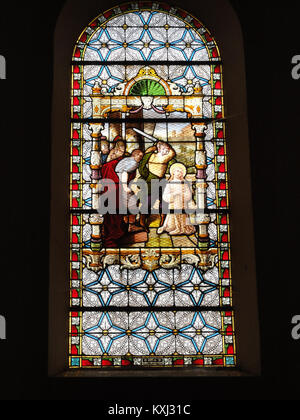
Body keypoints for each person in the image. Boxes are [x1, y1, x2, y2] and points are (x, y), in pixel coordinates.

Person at [100, 149, 144, 247]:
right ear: (134, 155)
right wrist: (125, 187)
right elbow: (125, 173)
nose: (141, 158)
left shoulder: (127, 160)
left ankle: (130, 224)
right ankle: (131, 224)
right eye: (140, 156)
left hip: (119, 185)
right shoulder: (133, 163)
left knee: (131, 203)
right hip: (121, 186)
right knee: (133, 202)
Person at [138, 141, 176, 231]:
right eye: (164, 149)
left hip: (162, 180)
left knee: (164, 200)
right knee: (149, 201)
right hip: (152, 180)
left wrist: (155, 147)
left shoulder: (165, 157)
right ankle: (142, 221)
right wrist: (151, 149)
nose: (166, 151)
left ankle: (163, 222)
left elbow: (172, 153)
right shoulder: (151, 156)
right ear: (159, 149)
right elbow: (142, 166)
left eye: (167, 149)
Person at [157, 163, 196, 236]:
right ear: (173, 173)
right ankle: (176, 228)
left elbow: (189, 195)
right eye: (177, 171)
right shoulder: (170, 184)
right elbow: (165, 196)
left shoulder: (184, 183)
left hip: (182, 204)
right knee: (170, 225)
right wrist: (174, 195)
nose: (179, 173)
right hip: (173, 204)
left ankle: (181, 228)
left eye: (181, 171)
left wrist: (181, 195)